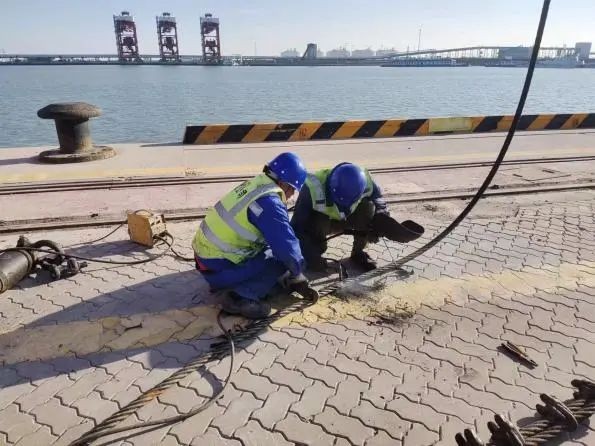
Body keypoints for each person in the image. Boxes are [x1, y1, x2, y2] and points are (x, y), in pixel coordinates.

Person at [192, 152, 310, 319]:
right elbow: (287, 248)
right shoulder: (270, 203)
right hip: (219, 269)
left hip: (205, 260)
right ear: (284, 183)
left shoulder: (256, 184)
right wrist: (297, 272)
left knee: (271, 250)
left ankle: (243, 283)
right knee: (280, 259)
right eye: (293, 189)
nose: (291, 195)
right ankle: (239, 297)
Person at [291, 162, 424, 272]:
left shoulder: (365, 181)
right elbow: (297, 227)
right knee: (318, 223)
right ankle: (316, 251)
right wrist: (309, 254)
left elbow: (379, 200)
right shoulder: (312, 187)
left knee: (368, 206)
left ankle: (358, 254)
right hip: (324, 223)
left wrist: (380, 220)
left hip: (348, 218)